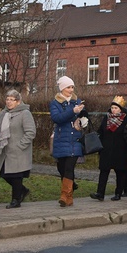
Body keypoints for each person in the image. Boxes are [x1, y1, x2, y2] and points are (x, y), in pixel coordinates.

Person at [0, 90, 36, 209]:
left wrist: (21, 145)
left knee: (16, 176)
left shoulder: (25, 113)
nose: (9, 102)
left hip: (19, 151)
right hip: (6, 149)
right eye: (7, 99)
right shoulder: (4, 113)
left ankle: (15, 200)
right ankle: (23, 191)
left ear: (18, 102)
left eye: (12, 100)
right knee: (4, 174)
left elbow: (30, 132)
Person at [50, 76, 86, 207]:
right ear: (62, 89)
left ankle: (65, 196)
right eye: (68, 87)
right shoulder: (55, 103)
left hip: (74, 140)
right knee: (62, 168)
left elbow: (84, 115)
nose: (71, 90)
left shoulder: (77, 101)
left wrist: (83, 119)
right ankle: (69, 197)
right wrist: (73, 112)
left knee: (69, 168)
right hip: (61, 139)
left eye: (72, 87)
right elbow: (57, 118)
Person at [91, 96, 127, 201]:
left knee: (120, 172)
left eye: (116, 108)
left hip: (121, 150)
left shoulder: (126, 119)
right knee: (104, 171)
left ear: (121, 109)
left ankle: (118, 193)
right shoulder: (107, 118)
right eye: (112, 107)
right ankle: (100, 193)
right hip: (106, 149)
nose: (113, 110)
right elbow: (101, 131)